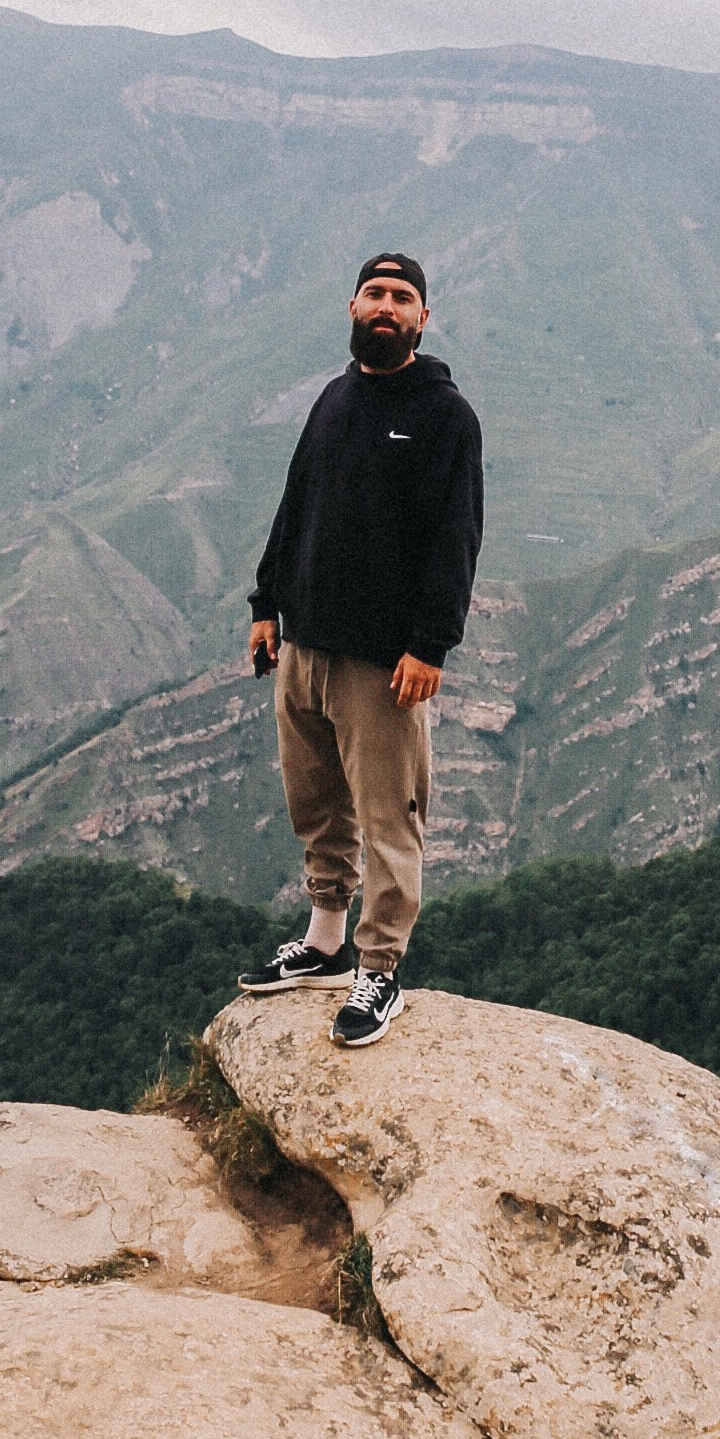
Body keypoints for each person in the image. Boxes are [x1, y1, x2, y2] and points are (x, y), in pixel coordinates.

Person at [237, 252, 484, 1045]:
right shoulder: (334, 400)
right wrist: (266, 604)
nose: (387, 307)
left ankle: (380, 970)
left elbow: (457, 540)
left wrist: (430, 644)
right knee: (316, 804)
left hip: (382, 661)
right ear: (351, 306)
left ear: (422, 318)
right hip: (305, 641)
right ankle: (325, 944)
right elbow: (295, 501)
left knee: (388, 817)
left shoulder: (446, 417)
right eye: (375, 294)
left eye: (402, 298)